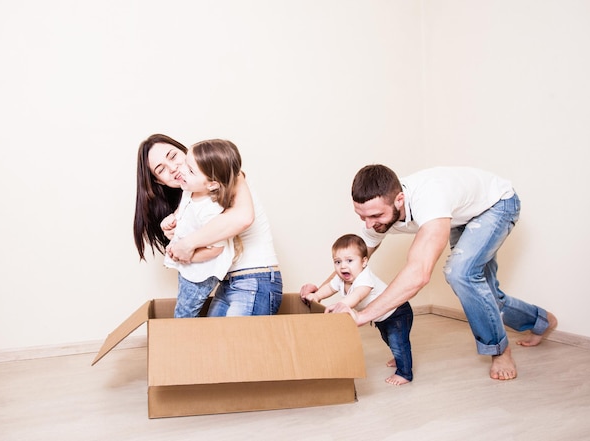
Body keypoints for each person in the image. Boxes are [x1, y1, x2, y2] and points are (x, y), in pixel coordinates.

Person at [316, 164, 557, 381]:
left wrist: (362, 315)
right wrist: (319, 294)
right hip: (461, 215)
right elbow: (353, 260)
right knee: (484, 295)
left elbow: (419, 272)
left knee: (460, 274)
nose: (369, 225)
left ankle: (499, 350)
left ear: (399, 200)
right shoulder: (376, 217)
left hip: (497, 205)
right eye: (362, 216)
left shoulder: (430, 199)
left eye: (376, 216)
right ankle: (540, 321)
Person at [134, 134, 282, 316]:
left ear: (184, 151)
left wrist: (187, 244)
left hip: (254, 276)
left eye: (173, 156)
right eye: (161, 169)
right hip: (227, 283)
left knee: (235, 343)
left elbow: (243, 217)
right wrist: (176, 231)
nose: (173, 168)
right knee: (211, 340)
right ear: (158, 181)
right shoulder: (191, 194)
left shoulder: (226, 173)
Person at [301, 234, 414, 385]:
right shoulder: (341, 278)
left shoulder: (364, 278)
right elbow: (329, 287)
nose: (343, 266)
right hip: (380, 316)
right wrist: (317, 296)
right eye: (337, 261)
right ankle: (399, 357)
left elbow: (358, 295)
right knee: (388, 339)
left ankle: (405, 373)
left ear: (364, 262)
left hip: (397, 312)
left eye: (349, 260)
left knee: (398, 342)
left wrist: (342, 305)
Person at [161, 139, 241, 318]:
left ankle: (182, 342)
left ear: (212, 184)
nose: (181, 170)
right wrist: (171, 219)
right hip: (189, 267)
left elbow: (217, 249)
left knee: (184, 312)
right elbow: (182, 213)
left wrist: (188, 257)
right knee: (183, 306)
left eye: (190, 170)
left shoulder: (210, 209)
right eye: (186, 164)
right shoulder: (189, 189)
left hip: (201, 271)